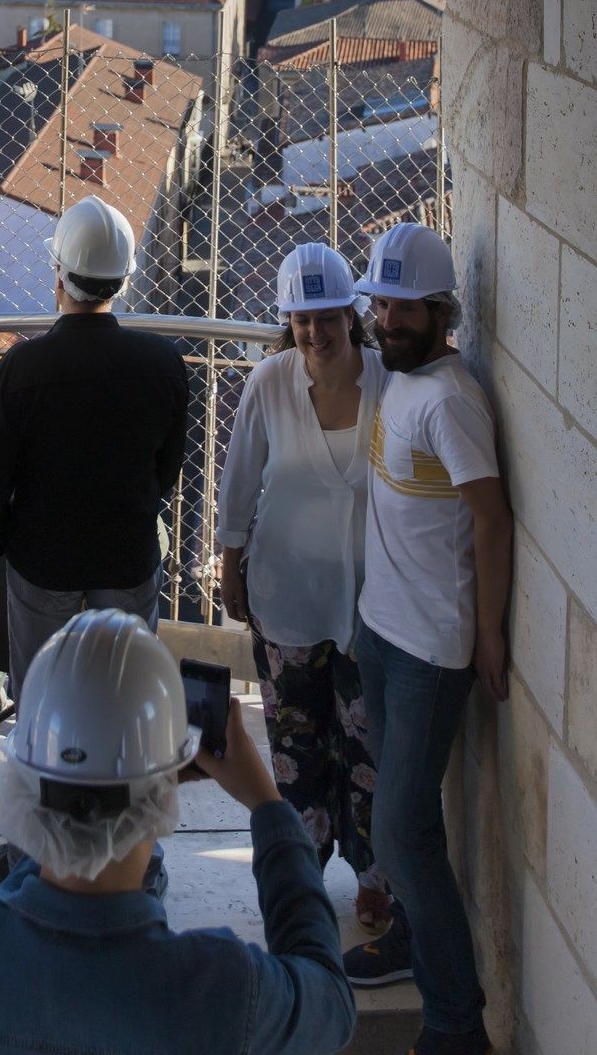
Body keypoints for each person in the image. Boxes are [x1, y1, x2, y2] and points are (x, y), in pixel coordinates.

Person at [0, 608, 357, 1055]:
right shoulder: (219, 989)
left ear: (25, 784)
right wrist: (268, 806)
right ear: (161, 793)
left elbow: (36, 881)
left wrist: (107, 781)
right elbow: (330, 1003)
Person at [0, 194, 188, 894]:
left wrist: (12, 541)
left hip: (44, 563)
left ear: (58, 277)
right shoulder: (164, 364)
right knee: (129, 705)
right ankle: (135, 859)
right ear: (121, 281)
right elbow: (166, 473)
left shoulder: (24, 370)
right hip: (125, 557)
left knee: (41, 707)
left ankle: (39, 860)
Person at [341, 224, 513, 1055]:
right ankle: (416, 937)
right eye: (380, 301)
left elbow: (491, 520)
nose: (386, 317)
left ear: (441, 311)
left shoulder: (449, 399)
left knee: (401, 831)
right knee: (409, 821)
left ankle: (454, 1025)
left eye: (403, 305)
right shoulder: (405, 378)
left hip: (429, 653)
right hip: (383, 629)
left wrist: (490, 638)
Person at [217, 243, 391, 930]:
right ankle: (303, 878)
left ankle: (376, 876)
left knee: (369, 745)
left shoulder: (389, 383)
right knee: (294, 749)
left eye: (326, 316)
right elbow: (238, 481)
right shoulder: (269, 383)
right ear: (287, 320)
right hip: (286, 593)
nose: (314, 333)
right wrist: (230, 565)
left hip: (372, 602)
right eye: (300, 319)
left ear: (352, 316)